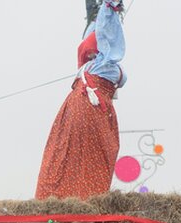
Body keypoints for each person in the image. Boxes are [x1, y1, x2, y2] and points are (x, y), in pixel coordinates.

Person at [35, 0, 127, 200]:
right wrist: (109, 8)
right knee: (92, 159)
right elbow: (107, 35)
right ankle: (84, 200)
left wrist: (101, 14)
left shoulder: (87, 68)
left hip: (76, 111)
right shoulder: (104, 65)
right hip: (91, 113)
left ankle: (61, 200)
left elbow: (94, 37)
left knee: (64, 156)